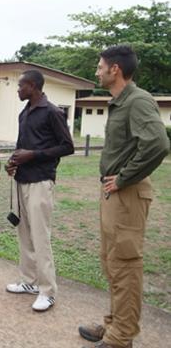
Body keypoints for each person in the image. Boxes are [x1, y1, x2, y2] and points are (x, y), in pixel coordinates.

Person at [78, 46, 169, 348]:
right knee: (112, 263)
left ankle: (121, 337)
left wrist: (125, 177)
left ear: (115, 69)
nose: (96, 71)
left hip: (128, 194)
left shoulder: (138, 101)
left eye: (100, 66)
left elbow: (157, 144)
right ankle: (115, 325)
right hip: (114, 195)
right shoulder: (120, 102)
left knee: (126, 265)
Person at [4, 69, 74, 312]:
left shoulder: (52, 112)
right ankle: (29, 281)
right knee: (24, 234)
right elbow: (22, 146)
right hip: (22, 179)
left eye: (21, 85)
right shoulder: (25, 113)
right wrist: (13, 162)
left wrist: (33, 155)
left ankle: (48, 291)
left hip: (41, 181)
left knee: (41, 237)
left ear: (32, 86)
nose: (18, 89)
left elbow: (67, 146)